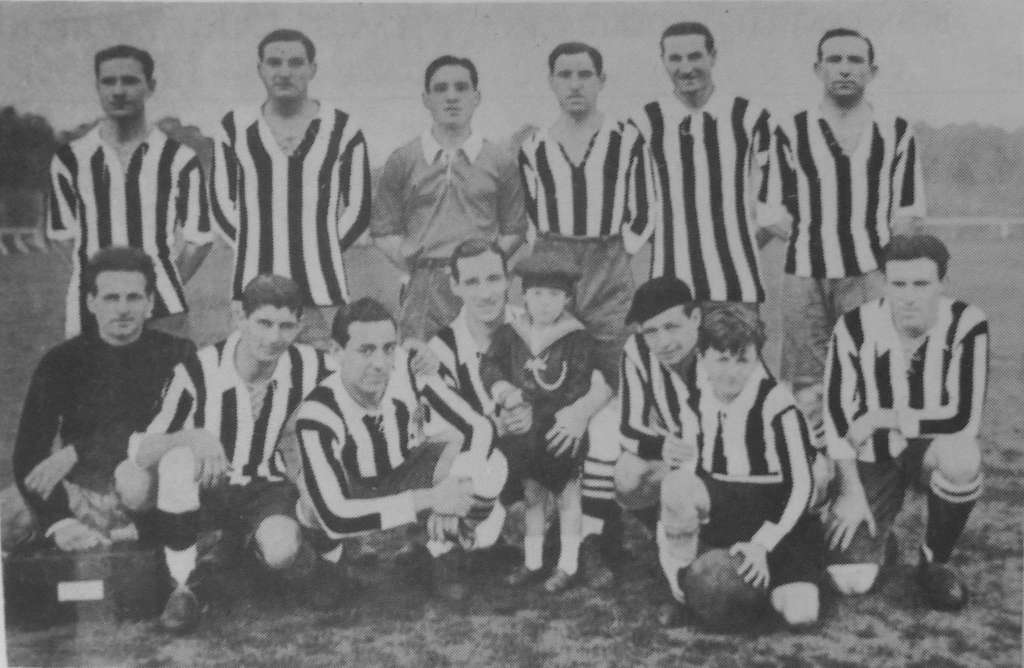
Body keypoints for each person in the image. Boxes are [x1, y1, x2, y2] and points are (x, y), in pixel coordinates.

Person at [118, 275, 335, 633]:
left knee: (282, 551)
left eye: (286, 326)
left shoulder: (311, 365)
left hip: (265, 486)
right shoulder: (197, 371)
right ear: (239, 317)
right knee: (176, 460)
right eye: (263, 323)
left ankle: (248, 552)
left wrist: (422, 361)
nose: (273, 337)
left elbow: (366, 379)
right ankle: (183, 585)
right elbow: (140, 449)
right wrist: (192, 436)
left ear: (300, 325)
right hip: (207, 487)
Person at [518, 43, 646, 581]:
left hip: (607, 261)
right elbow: (528, 216)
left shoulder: (627, 139)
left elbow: (642, 213)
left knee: (607, 389)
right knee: (551, 388)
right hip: (555, 265)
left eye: (585, 74)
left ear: (601, 79)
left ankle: (599, 532)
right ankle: (549, 528)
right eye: (565, 74)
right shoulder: (533, 145)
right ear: (550, 80)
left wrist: (613, 258)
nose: (575, 83)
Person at [294, 297, 508, 605]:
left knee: (487, 462)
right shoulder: (319, 411)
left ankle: (440, 550)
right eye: (365, 350)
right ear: (337, 353)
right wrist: (431, 500)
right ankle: (332, 561)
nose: (380, 363)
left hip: (404, 468)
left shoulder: (408, 367)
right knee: (312, 497)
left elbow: (479, 428)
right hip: (353, 484)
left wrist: (452, 487)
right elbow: (336, 515)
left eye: (387, 348)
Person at [823, 234, 987, 611]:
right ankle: (882, 536)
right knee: (850, 582)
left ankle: (934, 561)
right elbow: (836, 416)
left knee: (962, 459)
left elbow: (965, 417)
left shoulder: (967, 323)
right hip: (871, 456)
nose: (909, 296)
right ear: (882, 282)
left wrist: (886, 417)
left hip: (928, 448)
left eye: (921, 284)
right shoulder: (854, 327)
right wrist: (849, 490)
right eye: (898, 284)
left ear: (941, 284)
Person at [773, 28, 926, 421]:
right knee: (807, 385)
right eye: (834, 60)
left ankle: (872, 477)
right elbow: (773, 210)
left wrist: (878, 263)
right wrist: (820, 237)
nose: (844, 69)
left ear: (872, 71)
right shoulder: (791, 130)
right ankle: (815, 474)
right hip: (805, 275)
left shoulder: (894, 131)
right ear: (818, 68)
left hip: (869, 273)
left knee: (875, 376)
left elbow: (908, 212)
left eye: (855, 61)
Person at [4, 247, 194, 553]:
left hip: (144, 485)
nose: (123, 309)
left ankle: (155, 550)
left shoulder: (177, 354)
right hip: (82, 489)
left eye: (133, 297)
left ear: (150, 302)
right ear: (91, 302)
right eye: (111, 298)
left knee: (144, 485)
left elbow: (161, 429)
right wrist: (60, 521)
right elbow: (28, 452)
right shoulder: (61, 361)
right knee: (7, 518)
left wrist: (78, 451)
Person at [656, 306, 822, 628]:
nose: (732, 372)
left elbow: (803, 486)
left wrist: (762, 544)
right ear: (702, 358)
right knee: (675, 485)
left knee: (801, 615)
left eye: (742, 360)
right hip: (725, 512)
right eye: (722, 359)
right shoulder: (695, 404)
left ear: (757, 358)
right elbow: (688, 475)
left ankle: (767, 582)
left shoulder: (778, 406)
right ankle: (682, 590)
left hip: (778, 515)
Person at [210, 29, 370, 348]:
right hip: (252, 291)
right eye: (274, 62)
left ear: (313, 68)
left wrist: (319, 247)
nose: (284, 72)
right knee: (255, 384)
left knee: (323, 382)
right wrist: (257, 243)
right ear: (260, 69)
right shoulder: (234, 127)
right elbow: (221, 202)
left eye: (296, 62)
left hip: (323, 293)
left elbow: (358, 208)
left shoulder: (342, 127)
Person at [47, 45, 212, 339]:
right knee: (93, 386)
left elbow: (199, 239)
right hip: (93, 312)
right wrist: (100, 284)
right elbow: (62, 236)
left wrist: (159, 282)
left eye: (130, 80)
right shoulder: (71, 159)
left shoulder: (179, 158)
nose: (119, 91)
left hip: (164, 311)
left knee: (168, 386)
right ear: (97, 87)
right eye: (108, 81)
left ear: (151, 86)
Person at [624, 22, 783, 306]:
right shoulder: (644, 122)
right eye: (675, 58)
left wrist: (741, 243)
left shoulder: (750, 116)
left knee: (737, 351)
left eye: (695, 56)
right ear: (663, 61)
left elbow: (773, 199)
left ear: (713, 56)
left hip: (737, 284)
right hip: (670, 284)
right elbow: (637, 210)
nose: (686, 68)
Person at [371, 55, 527, 341]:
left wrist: (484, 266)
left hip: (481, 286)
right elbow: (383, 230)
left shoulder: (500, 161)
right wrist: (414, 265)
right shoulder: (403, 159)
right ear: (426, 99)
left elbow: (515, 229)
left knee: (488, 365)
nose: (451, 97)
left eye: (461, 88)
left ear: (476, 97)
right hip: (425, 285)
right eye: (441, 89)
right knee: (421, 369)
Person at [480, 252, 610, 593]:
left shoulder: (576, 338)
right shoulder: (511, 334)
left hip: (558, 432)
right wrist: (504, 390)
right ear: (524, 296)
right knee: (534, 496)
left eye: (554, 295)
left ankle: (568, 564)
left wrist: (543, 407)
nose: (544, 303)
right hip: (526, 436)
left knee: (569, 498)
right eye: (537, 294)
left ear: (567, 299)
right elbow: (490, 366)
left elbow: (579, 383)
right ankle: (533, 562)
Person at [613, 277, 702, 602]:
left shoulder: (721, 345)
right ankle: (664, 531)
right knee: (628, 473)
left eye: (672, 326)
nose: (663, 341)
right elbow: (628, 426)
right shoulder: (635, 351)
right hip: (676, 450)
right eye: (651, 331)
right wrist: (660, 447)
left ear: (695, 318)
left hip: (727, 459)